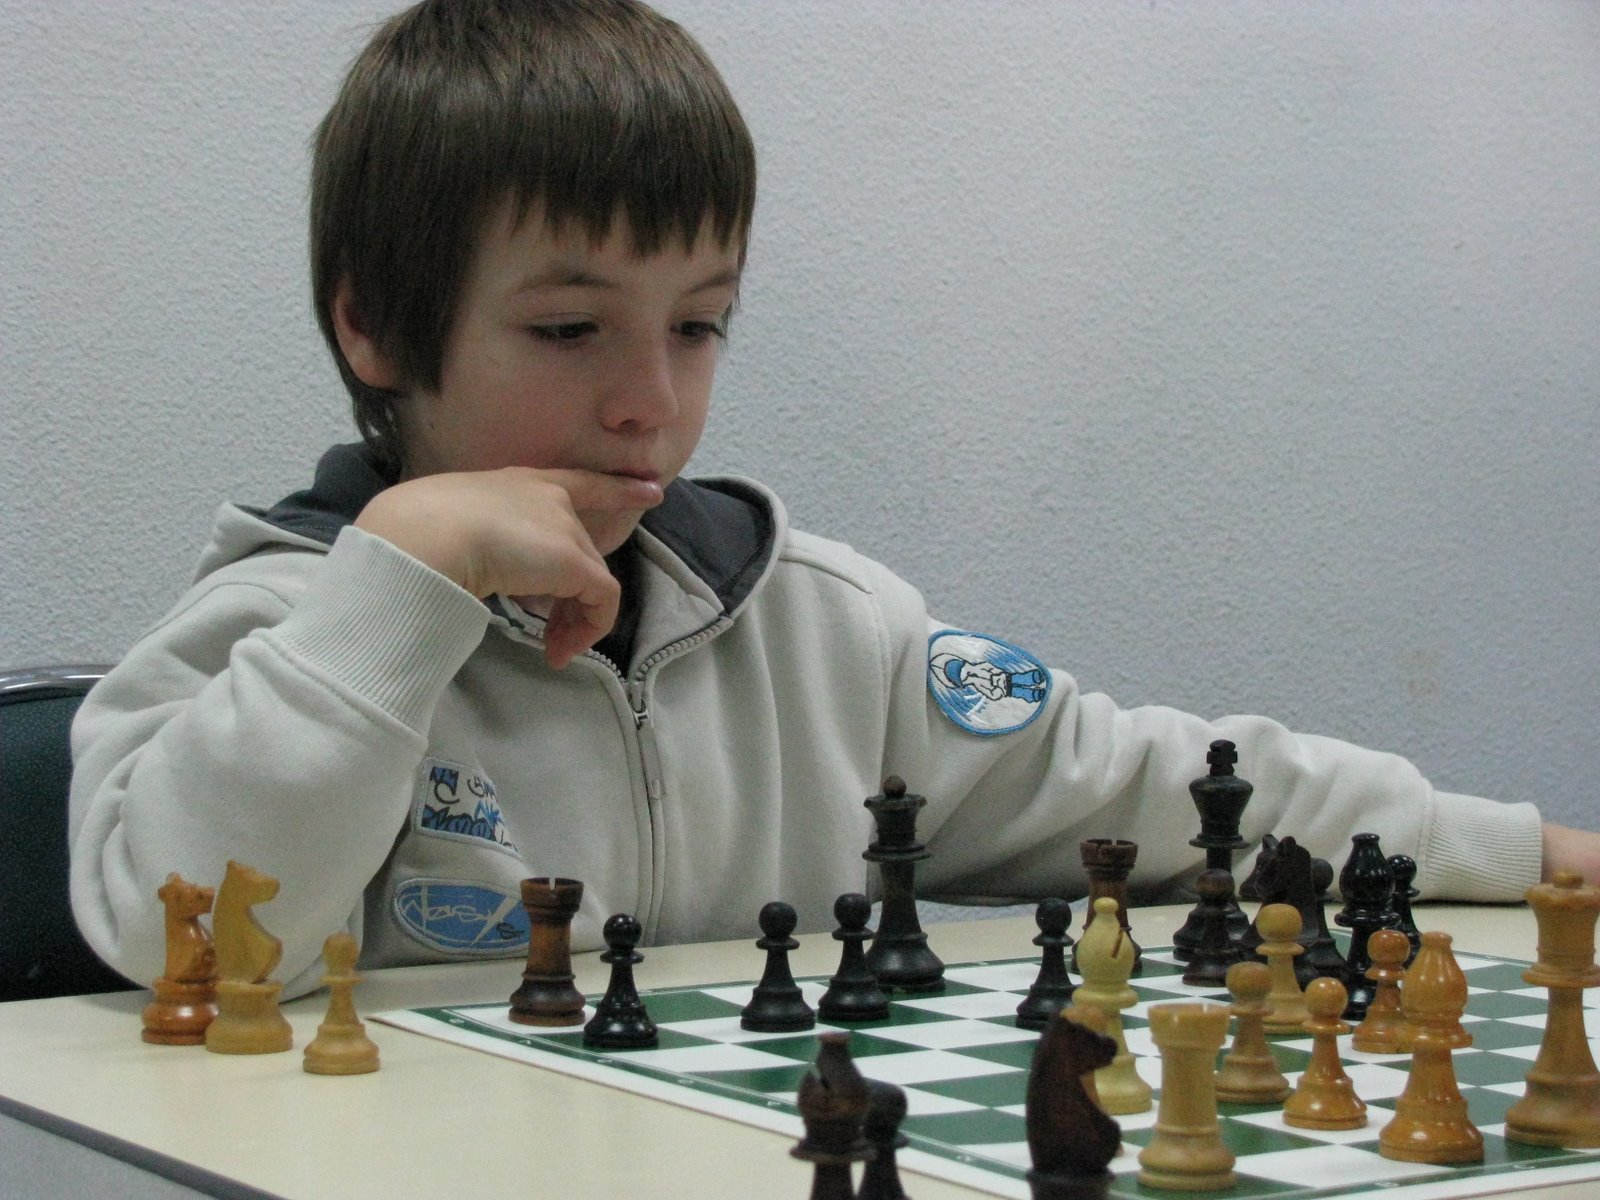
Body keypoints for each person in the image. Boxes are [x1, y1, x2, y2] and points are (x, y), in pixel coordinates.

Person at [68, 0, 1600, 1000]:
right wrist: (395, 584)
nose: (649, 400)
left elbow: (1150, 784)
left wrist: (1515, 844)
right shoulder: (272, 630)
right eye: (569, 329)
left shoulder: (825, 637)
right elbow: (179, 943)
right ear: (374, 327)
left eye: (698, 325)